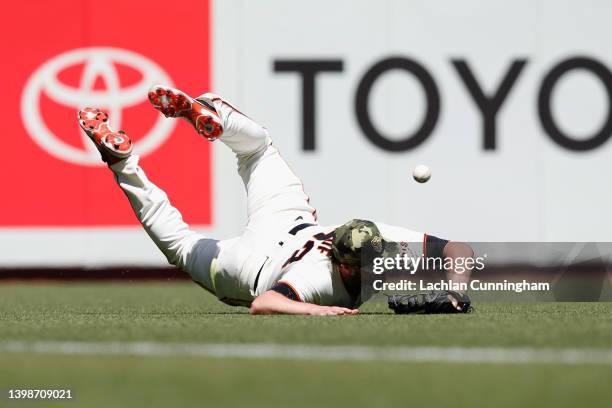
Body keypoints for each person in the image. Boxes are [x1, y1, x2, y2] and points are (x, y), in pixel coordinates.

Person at [77, 85, 473, 316]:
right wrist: (318, 310)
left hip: (289, 221)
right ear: (346, 263)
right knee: (179, 243)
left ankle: (213, 113)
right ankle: (122, 162)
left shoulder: (374, 237)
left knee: (259, 149)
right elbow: (264, 304)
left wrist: (456, 290)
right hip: (248, 269)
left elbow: (458, 249)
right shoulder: (319, 278)